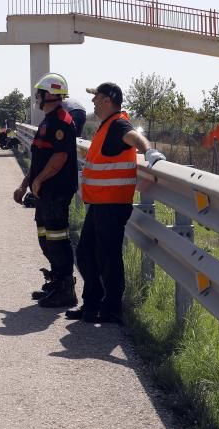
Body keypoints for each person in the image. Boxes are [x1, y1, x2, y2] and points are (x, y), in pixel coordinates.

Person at [68, 82, 164, 324]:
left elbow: (135, 137)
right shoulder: (107, 126)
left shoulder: (118, 124)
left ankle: (110, 309)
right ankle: (92, 305)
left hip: (111, 205)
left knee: (107, 257)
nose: (93, 102)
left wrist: (149, 151)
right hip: (101, 204)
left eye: (96, 98)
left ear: (108, 100)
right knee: (87, 253)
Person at [14, 73, 78, 308]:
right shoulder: (47, 121)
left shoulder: (61, 121)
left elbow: (60, 157)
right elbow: (40, 158)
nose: (37, 97)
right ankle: (56, 281)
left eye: (40, 93)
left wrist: (39, 180)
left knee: (57, 239)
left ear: (50, 94)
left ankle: (66, 290)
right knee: (46, 238)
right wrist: (25, 184)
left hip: (56, 192)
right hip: (45, 193)